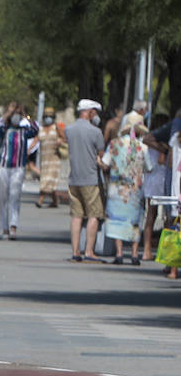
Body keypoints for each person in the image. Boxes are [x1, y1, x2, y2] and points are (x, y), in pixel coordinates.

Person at [103, 111, 148, 264]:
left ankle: (120, 253)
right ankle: (135, 255)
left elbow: (106, 163)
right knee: (135, 221)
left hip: (117, 189)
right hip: (135, 189)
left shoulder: (115, 144)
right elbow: (150, 167)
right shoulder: (143, 147)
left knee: (116, 219)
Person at [65, 98, 107, 262]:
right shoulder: (95, 132)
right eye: (95, 112)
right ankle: (89, 251)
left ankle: (75, 252)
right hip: (90, 179)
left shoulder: (69, 130)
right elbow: (101, 155)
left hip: (74, 178)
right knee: (93, 215)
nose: (96, 116)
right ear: (89, 112)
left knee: (76, 216)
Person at [0, 101, 38, 240]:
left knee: (15, 196)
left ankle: (13, 227)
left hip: (19, 167)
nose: (16, 117)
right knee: (3, 198)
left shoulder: (24, 132)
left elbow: (36, 129)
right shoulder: (4, 130)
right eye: (15, 115)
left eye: (17, 115)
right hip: (4, 166)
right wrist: (8, 112)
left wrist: (25, 115)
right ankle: (4, 228)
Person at [140, 111, 172, 262]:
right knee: (167, 217)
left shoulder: (151, 139)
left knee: (150, 216)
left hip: (151, 179)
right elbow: (161, 160)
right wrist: (164, 150)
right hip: (162, 178)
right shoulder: (163, 142)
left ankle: (147, 249)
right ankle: (164, 250)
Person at [35, 106, 65, 208]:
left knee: (48, 179)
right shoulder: (41, 128)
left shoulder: (57, 127)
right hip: (44, 159)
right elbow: (35, 141)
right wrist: (28, 150)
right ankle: (55, 201)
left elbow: (65, 138)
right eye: (46, 116)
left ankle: (40, 200)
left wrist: (60, 141)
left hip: (54, 158)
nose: (48, 118)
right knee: (48, 180)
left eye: (50, 116)